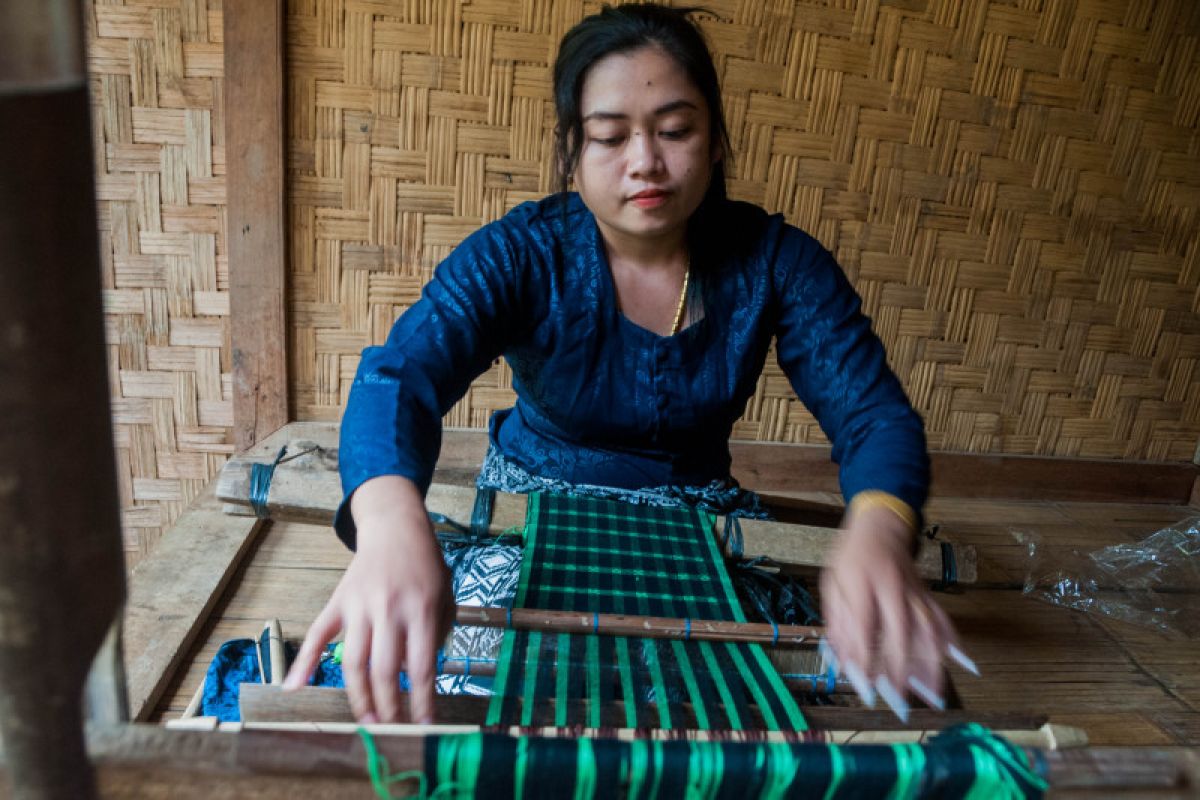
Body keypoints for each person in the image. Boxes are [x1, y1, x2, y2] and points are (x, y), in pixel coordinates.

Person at [284, 3, 966, 725]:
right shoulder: (523, 254)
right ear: (571, 151)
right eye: (610, 137)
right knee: (458, 674)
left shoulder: (775, 263)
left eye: (675, 130)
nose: (646, 160)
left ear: (716, 138)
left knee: (776, 698)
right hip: (534, 507)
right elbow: (399, 377)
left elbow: (871, 413)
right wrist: (390, 522)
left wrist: (880, 531)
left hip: (698, 522)